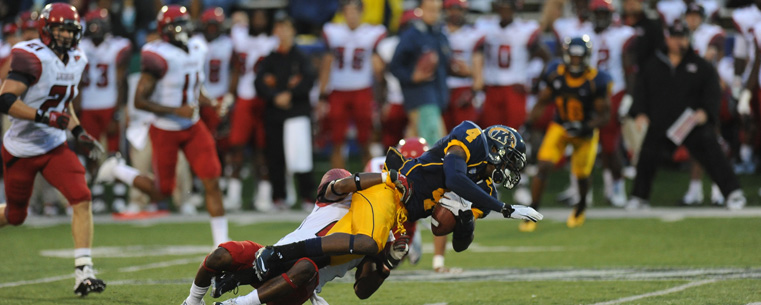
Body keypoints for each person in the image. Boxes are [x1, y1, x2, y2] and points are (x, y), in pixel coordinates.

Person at [253, 120, 542, 283]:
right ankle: (278, 253)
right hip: (391, 192)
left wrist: (465, 219)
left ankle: (255, 283)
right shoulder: (470, 138)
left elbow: (451, 237)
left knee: (362, 281)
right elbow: (455, 179)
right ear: (495, 149)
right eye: (510, 161)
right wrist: (505, 209)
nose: (510, 170)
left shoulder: (486, 191)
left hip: (402, 219)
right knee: (367, 243)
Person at [96, 5, 229, 246]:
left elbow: (194, 85)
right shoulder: (156, 55)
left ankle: (222, 245)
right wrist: (175, 110)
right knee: (161, 192)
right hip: (165, 128)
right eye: (175, 25)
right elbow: (139, 100)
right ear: (164, 29)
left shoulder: (198, 47)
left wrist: (209, 101)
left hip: (192, 125)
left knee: (212, 180)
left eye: (183, 24)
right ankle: (118, 170)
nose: (181, 30)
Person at [0, 3, 106, 296]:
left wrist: (77, 130)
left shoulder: (78, 57)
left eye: (71, 30)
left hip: (54, 145)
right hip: (21, 147)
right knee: (15, 216)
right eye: (60, 29)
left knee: (81, 197)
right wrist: (45, 117)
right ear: (46, 30)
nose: (66, 36)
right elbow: (5, 99)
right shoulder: (30, 55)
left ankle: (84, 270)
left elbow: (63, 102)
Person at [182, 169, 409, 305]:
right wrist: (384, 177)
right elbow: (342, 184)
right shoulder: (331, 199)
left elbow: (362, 291)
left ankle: (240, 303)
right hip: (269, 258)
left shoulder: (377, 232)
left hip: (298, 283)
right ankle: (192, 300)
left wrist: (386, 263)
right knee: (223, 253)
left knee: (306, 266)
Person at [627, 22, 747, 211]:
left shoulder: (700, 66)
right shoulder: (653, 65)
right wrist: (640, 112)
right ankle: (639, 196)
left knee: (710, 147)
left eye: (682, 37)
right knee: (648, 152)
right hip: (661, 124)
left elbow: (712, 93)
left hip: (690, 124)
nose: (678, 42)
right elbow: (641, 92)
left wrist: (706, 112)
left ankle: (733, 193)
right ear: (667, 39)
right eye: (675, 38)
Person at [524, 36, 612, 232]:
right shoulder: (556, 73)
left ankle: (580, 208)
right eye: (572, 57)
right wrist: (528, 124)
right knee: (544, 165)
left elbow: (605, 115)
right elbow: (542, 101)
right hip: (561, 126)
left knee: (581, 174)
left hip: (585, 130)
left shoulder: (595, 80)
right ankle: (533, 211)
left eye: (579, 58)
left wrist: (585, 127)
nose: (575, 61)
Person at [254, 13, 316, 210]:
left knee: (301, 157)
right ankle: (278, 197)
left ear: (293, 31)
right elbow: (258, 82)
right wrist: (275, 96)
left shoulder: (301, 58)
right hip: (275, 113)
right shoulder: (270, 59)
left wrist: (290, 95)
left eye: (286, 28)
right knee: (275, 157)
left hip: (296, 112)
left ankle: (307, 196)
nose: (282, 32)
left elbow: (308, 80)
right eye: (279, 28)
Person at [318, 0, 386, 169]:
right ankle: (337, 183)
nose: (351, 15)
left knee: (366, 140)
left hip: (362, 90)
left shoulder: (372, 32)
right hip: (338, 90)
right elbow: (326, 63)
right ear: (343, 13)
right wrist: (322, 93)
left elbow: (378, 66)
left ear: (361, 13)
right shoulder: (332, 31)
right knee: (337, 141)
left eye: (355, 11)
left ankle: (370, 184)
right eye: (348, 11)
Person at [227, 9, 278, 212]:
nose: (259, 20)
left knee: (262, 150)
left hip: (263, 99)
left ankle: (264, 196)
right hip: (244, 96)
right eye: (255, 16)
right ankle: (233, 195)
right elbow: (236, 68)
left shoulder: (272, 41)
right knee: (236, 147)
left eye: (262, 17)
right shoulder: (240, 36)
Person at [588, 0, 636, 207]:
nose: (600, 18)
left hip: (612, 93)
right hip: (588, 94)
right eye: (597, 14)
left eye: (604, 14)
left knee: (609, 144)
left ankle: (618, 186)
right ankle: (591, 189)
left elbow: (629, 68)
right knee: (586, 143)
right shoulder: (582, 33)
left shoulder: (622, 35)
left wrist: (629, 97)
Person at [389, 0, 455, 145]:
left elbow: (445, 66)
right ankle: (433, 168)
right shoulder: (411, 36)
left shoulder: (439, 34)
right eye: (430, 9)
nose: (434, 14)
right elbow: (395, 66)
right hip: (420, 96)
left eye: (437, 10)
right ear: (421, 10)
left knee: (415, 139)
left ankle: (401, 165)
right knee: (434, 141)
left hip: (437, 94)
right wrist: (412, 77)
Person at [478, 0, 550, 133]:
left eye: (508, 7)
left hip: (515, 88)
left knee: (514, 133)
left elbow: (546, 57)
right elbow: (476, 54)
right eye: (503, 6)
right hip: (492, 87)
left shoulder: (525, 29)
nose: (505, 11)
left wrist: (537, 83)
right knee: (490, 133)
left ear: (515, 9)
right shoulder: (486, 27)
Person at [681, 2, 728, 206]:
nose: (692, 19)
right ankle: (695, 190)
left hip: (709, 91)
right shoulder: (680, 34)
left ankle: (720, 189)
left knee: (713, 141)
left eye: (695, 15)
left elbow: (710, 57)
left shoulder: (713, 32)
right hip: (690, 92)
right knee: (694, 142)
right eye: (689, 15)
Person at [190, 7, 236, 209]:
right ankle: (197, 186)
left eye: (214, 26)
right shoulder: (194, 43)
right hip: (199, 100)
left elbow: (235, 70)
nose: (211, 30)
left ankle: (222, 183)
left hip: (218, 99)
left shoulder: (228, 44)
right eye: (208, 25)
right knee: (198, 145)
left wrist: (229, 95)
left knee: (222, 144)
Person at [78, 8, 131, 160]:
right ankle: (95, 178)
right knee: (89, 149)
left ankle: (114, 179)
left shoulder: (118, 46)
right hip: (87, 102)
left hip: (108, 101)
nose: (96, 28)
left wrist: (116, 111)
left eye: (99, 24)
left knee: (113, 148)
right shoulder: (80, 46)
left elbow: (121, 81)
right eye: (93, 24)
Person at [442, 0, 484, 132]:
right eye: (452, 9)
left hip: (463, 87)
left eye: (458, 9)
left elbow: (478, 71)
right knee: (442, 135)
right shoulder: (439, 32)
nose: (455, 13)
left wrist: (474, 90)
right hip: (442, 86)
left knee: (465, 134)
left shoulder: (473, 34)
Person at [731, 0, 761, 174]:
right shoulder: (744, 18)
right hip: (753, 76)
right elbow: (740, 53)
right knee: (748, 118)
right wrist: (737, 87)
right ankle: (746, 159)